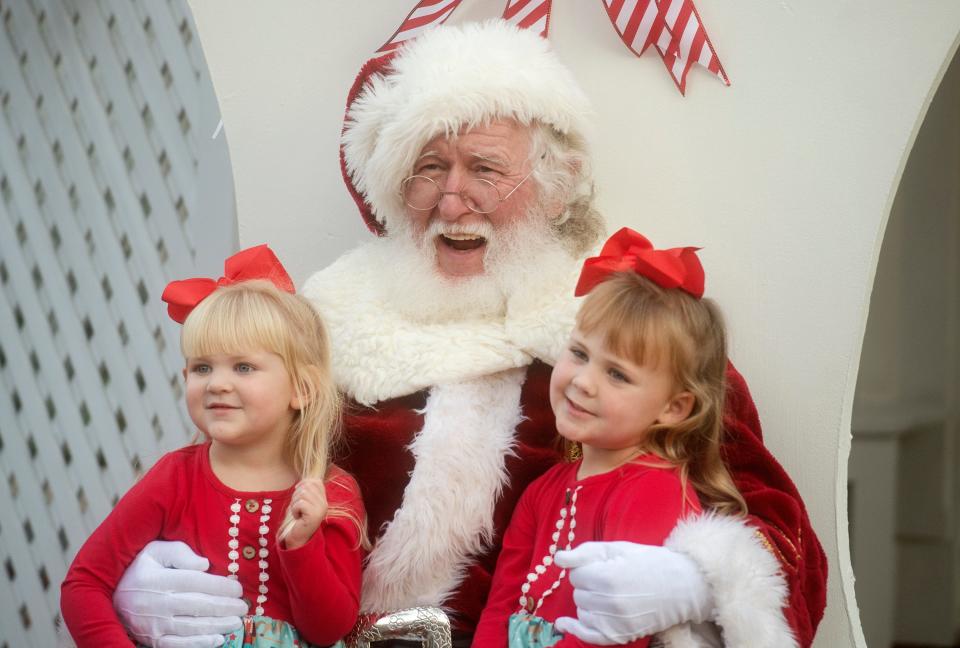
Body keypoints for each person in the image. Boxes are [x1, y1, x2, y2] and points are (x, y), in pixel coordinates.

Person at [111, 20, 826, 648]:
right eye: (429, 169)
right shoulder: (321, 325)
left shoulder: (629, 333)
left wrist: (696, 580)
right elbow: (228, 482)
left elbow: (776, 524)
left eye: (485, 169)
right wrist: (149, 571)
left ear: (553, 184)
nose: (454, 199)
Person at [60, 245, 365, 647]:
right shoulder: (174, 479)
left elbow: (328, 630)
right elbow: (84, 584)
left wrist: (302, 544)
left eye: (243, 367)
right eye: (202, 367)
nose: (217, 383)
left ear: (301, 388)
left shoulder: (331, 494)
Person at [474, 228, 750, 648]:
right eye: (580, 354)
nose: (583, 382)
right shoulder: (543, 491)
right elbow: (502, 605)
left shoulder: (652, 491)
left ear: (673, 408)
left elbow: (616, 631)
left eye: (617, 374)